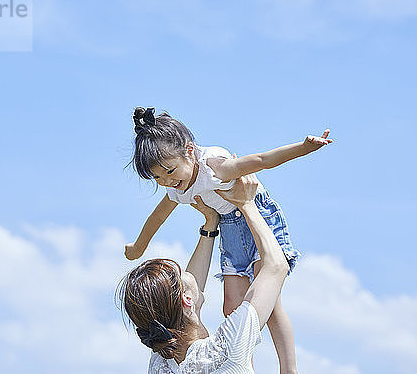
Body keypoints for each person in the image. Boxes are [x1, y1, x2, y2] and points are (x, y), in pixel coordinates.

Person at [124, 107, 332, 373]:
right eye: (158, 178)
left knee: (270, 301)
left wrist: (303, 147)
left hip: (255, 214)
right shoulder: (176, 188)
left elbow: (261, 159)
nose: (167, 181)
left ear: (189, 151)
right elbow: (157, 218)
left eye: (170, 171)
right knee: (232, 307)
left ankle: (288, 368)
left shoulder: (214, 167)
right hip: (230, 227)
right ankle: (244, 365)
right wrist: (138, 246)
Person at [118, 174, 292, 373]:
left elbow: (189, 293)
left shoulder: (161, 363)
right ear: (187, 300)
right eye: (183, 274)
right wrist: (247, 205)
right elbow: (277, 267)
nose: (189, 273)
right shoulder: (225, 348)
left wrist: (210, 224)